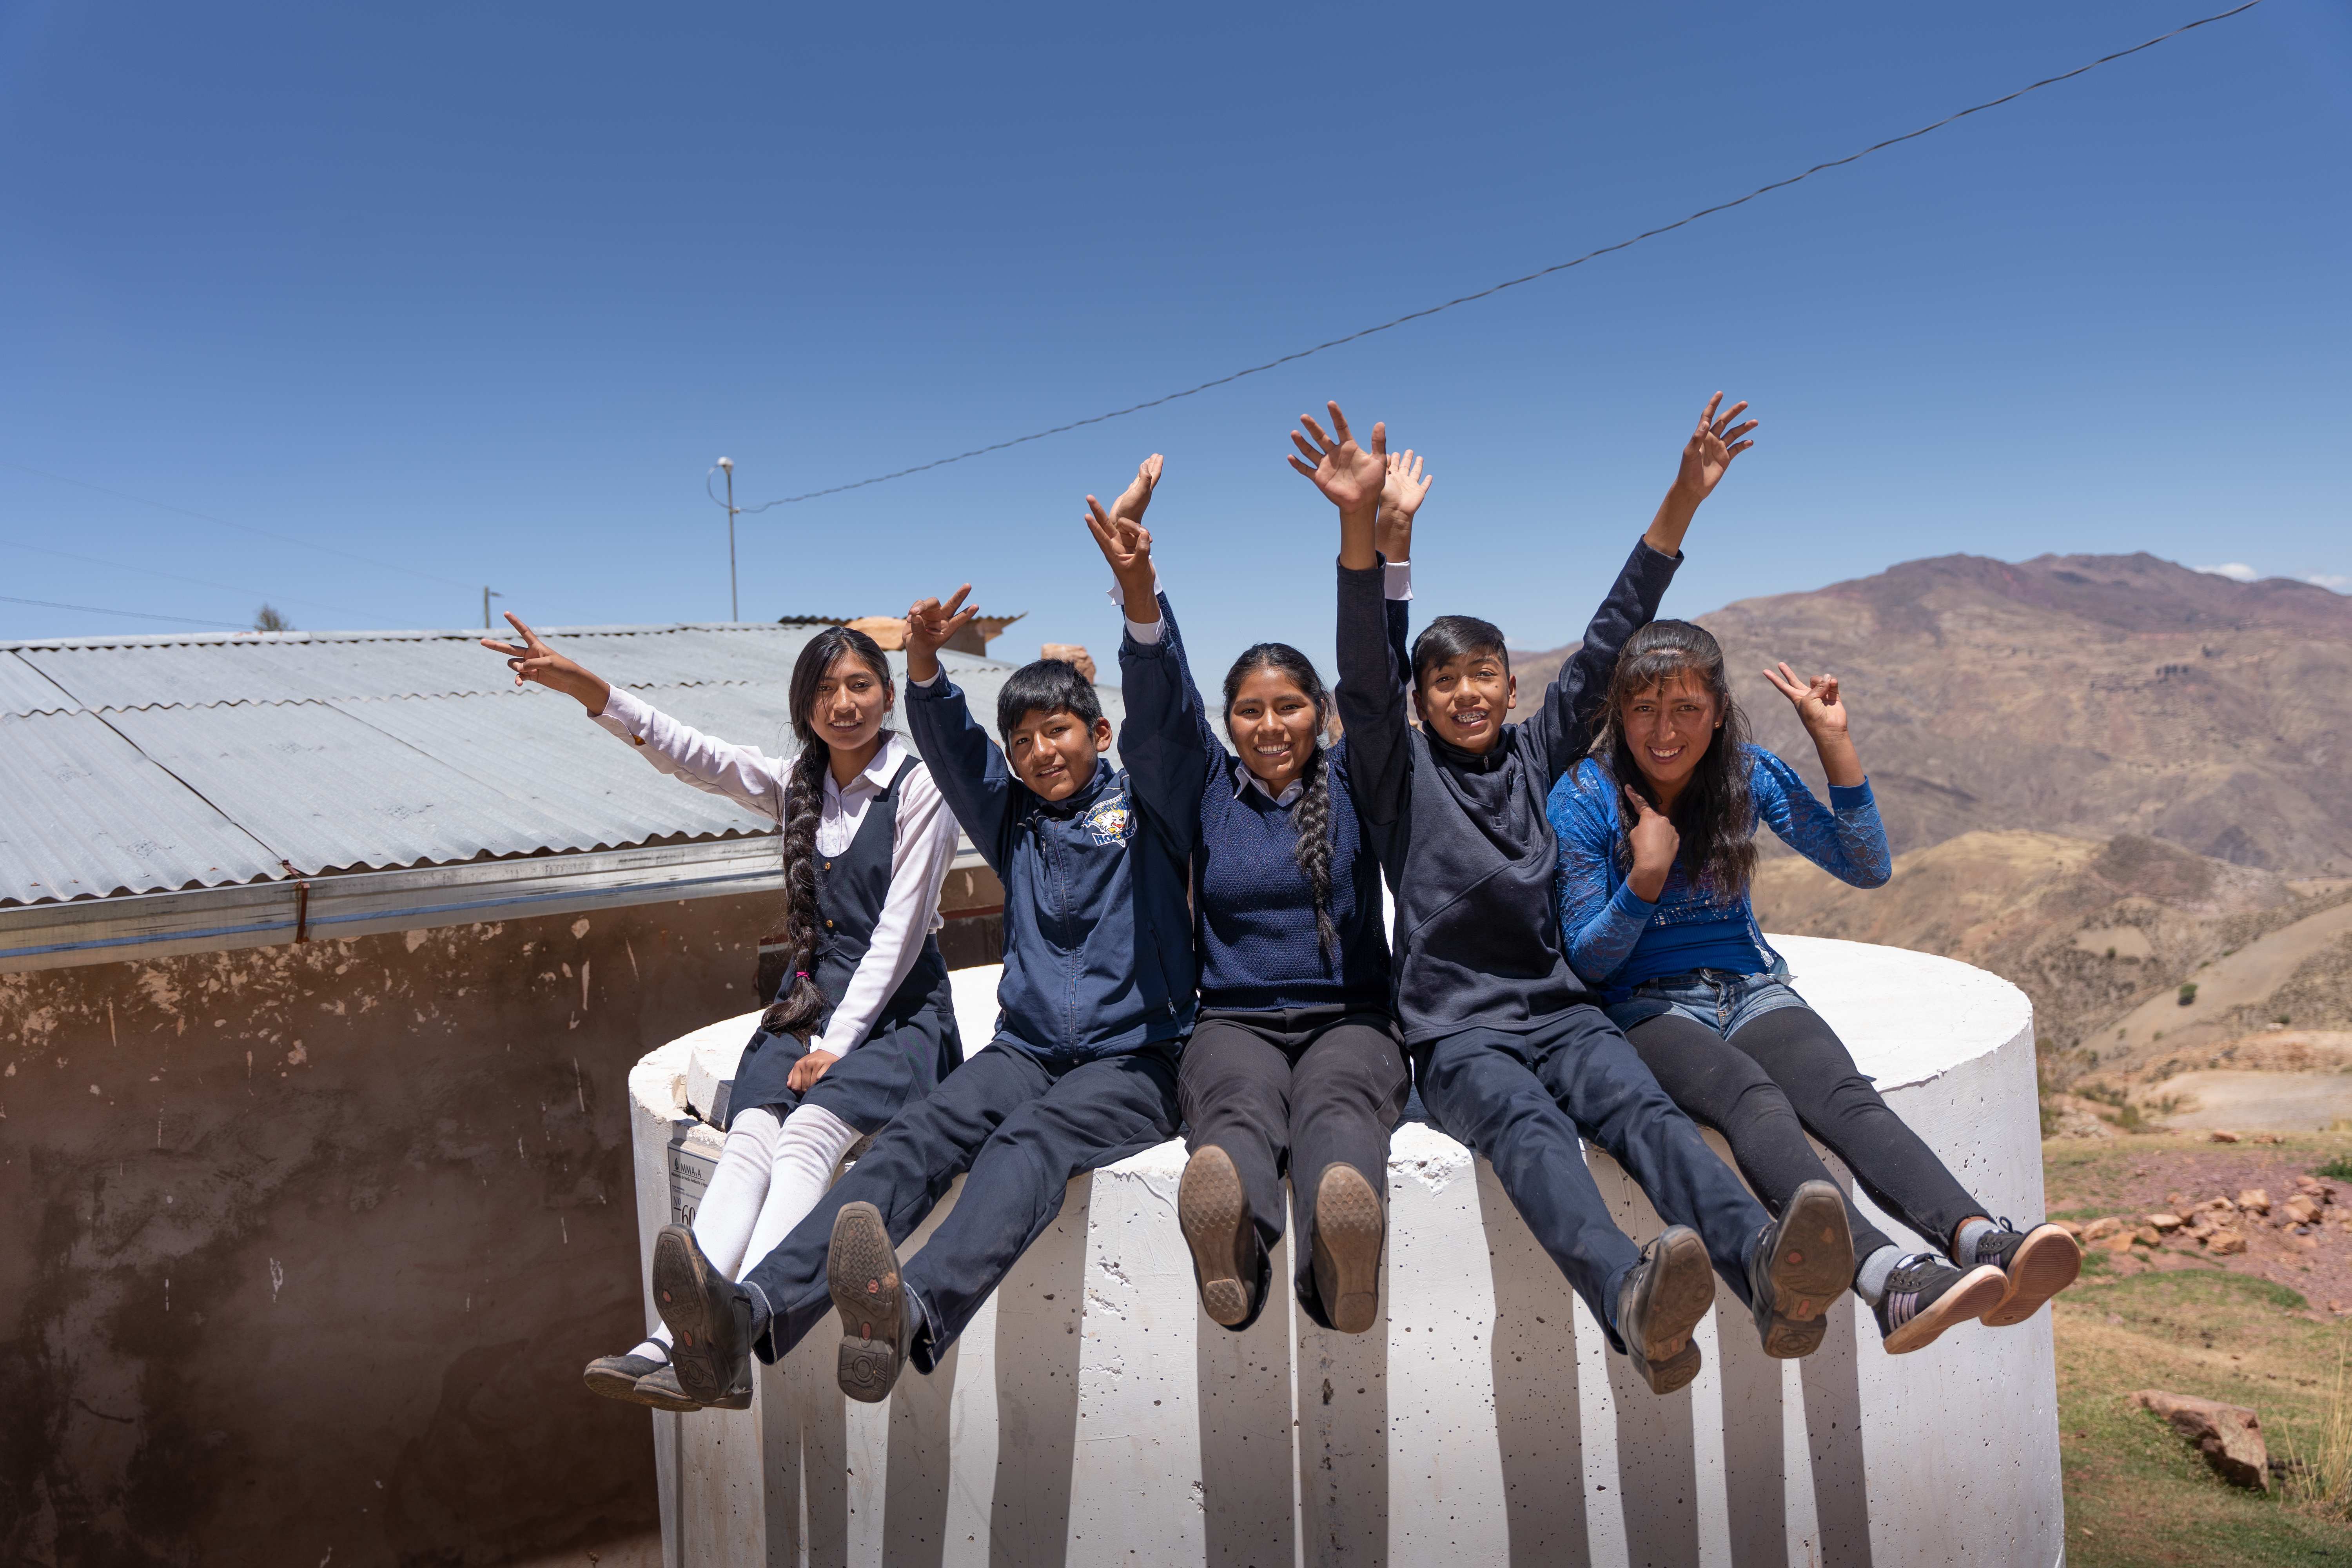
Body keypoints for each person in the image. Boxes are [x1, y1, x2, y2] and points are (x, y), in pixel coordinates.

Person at [1307, 392, 1853, 1396]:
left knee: (1646, 1113)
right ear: (1422, 704)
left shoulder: (1535, 754)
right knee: (1528, 1133)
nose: (1468, 693)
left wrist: (1682, 501)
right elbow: (1365, 679)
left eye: (1486, 675)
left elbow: (1612, 636)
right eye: (1446, 682)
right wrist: (1368, 537)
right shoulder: (1394, 772)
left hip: (1562, 1011)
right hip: (1459, 1033)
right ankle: (1626, 1294)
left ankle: (1768, 1272)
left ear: (1514, 689)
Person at [643, 501, 1200, 1408]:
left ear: (1099, 735)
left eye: (1058, 730)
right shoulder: (1012, 817)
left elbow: (1170, 719)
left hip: (1137, 1056)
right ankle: (745, 1315)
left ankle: (912, 1312)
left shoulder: (1153, 809)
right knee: (918, 1135)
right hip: (1025, 1050)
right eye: (1022, 739)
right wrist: (926, 665)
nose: (1037, 750)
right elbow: (953, 749)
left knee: (1032, 1140)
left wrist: (1139, 590)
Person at [1550, 621, 2081, 1350]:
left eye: (1686, 710)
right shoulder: (1583, 795)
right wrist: (1644, 880)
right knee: (1753, 1101)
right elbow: (1588, 960)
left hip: (1750, 988)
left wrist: (1834, 741)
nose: (1664, 732)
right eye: (1644, 709)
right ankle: (1887, 1278)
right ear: (1619, 712)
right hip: (1646, 1007)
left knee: (1845, 1098)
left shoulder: (1746, 774)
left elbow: (1865, 865)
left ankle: (1980, 1239)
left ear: (1719, 710)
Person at [479, 616, 962, 1410]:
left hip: (899, 1018)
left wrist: (837, 1046)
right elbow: (695, 754)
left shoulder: (919, 788)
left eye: (861, 685)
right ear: (803, 706)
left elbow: (901, 935)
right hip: (807, 1005)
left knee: (807, 1137)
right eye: (825, 690)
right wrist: (590, 691)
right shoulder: (798, 784)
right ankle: (675, 1340)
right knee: (750, 1143)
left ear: (886, 693)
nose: (845, 703)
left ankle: (738, 1323)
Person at [1099, 448, 1428, 1334]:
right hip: (1234, 1018)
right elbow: (1159, 705)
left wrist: (1363, 533)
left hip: (1353, 1016)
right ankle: (1235, 1251)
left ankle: (1340, 1261)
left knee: (1338, 1110)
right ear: (1229, 719)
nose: (1270, 723)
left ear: (1319, 715)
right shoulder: (1206, 781)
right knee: (1233, 1108)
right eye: (1250, 708)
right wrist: (1138, 586)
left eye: (1289, 705)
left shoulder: (1360, 772)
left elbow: (1373, 672)